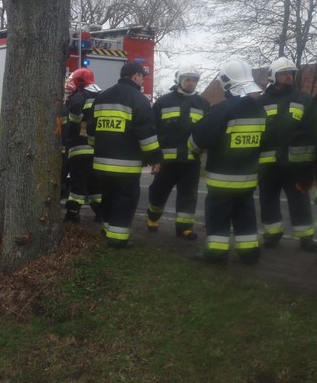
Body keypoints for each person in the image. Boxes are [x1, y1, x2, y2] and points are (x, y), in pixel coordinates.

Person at [188, 59, 266, 265]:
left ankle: (216, 252)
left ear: (226, 82)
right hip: (248, 180)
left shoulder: (222, 110)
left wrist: (194, 150)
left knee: (218, 217)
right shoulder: (259, 110)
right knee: (245, 215)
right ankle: (249, 252)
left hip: (222, 181)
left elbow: (199, 138)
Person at [87, 61, 162, 248]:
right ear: (135, 76)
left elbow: (90, 130)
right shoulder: (139, 100)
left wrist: (97, 147)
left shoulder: (102, 97)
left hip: (101, 163)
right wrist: (155, 159)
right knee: (124, 200)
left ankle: (106, 229)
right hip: (126, 166)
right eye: (142, 76)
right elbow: (147, 135)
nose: (143, 80)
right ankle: (118, 239)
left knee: (108, 197)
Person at [256, 57, 316, 251]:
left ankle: (306, 238)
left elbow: (311, 132)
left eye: (291, 73)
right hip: (268, 165)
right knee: (268, 199)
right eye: (283, 73)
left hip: (295, 165)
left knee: (300, 200)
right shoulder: (261, 101)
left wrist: (309, 170)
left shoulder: (304, 100)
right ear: (273, 76)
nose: (288, 76)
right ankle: (272, 234)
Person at [147, 65, 210, 240]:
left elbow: (206, 131)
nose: (191, 83)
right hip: (166, 161)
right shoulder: (163, 102)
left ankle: (184, 227)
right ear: (179, 80)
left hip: (191, 161)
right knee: (158, 191)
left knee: (189, 195)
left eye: (194, 80)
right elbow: (153, 130)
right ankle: (152, 217)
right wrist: (154, 158)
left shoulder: (203, 104)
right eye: (188, 79)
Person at [62, 68, 102, 223]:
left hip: (80, 147)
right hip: (98, 148)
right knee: (95, 184)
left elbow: (74, 119)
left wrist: (74, 122)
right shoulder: (100, 95)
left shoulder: (80, 96)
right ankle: (101, 212)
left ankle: (72, 214)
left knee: (77, 183)